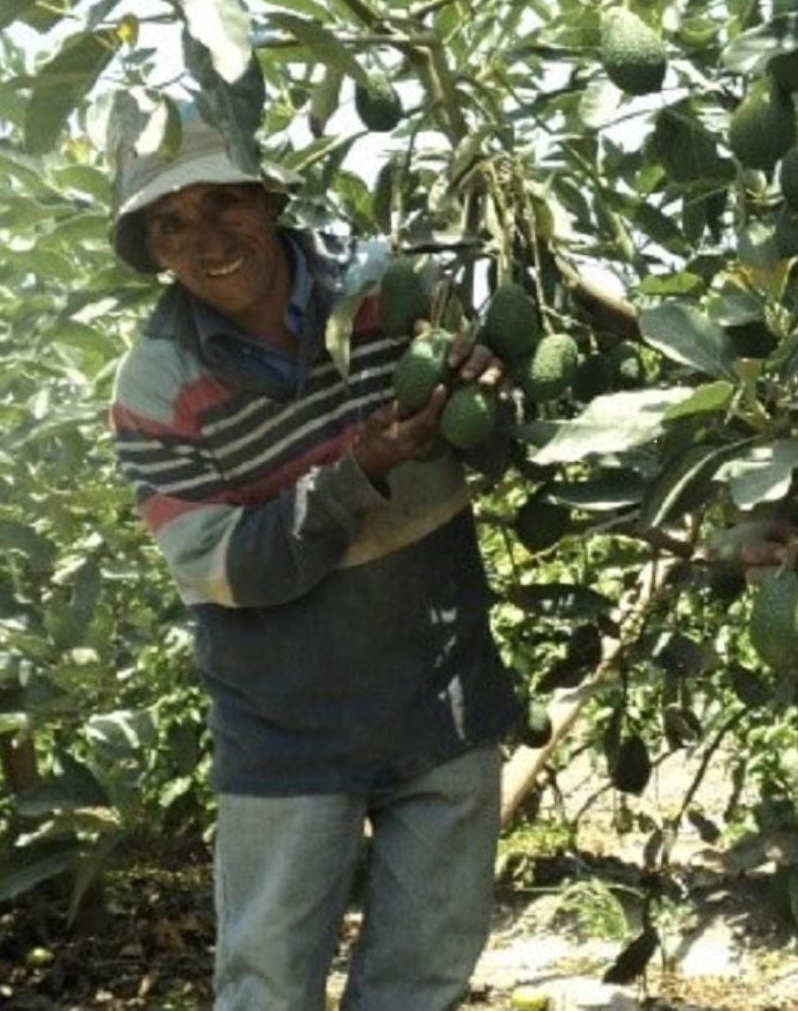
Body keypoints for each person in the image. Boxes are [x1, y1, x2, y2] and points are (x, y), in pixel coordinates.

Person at [106, 107, 519, 1011]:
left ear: (270, 198)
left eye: (225, 203)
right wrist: (359, 467)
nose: (206, 239)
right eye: (172, 222)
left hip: (441, 696)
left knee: (423, 978)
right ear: (152, 246)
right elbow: (227, 569)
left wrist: (491, 378)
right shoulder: (154, 390)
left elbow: (493, 417)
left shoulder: (387, 290)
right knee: (268, 984)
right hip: (287, 727)